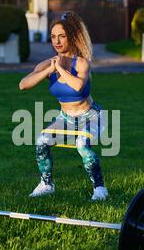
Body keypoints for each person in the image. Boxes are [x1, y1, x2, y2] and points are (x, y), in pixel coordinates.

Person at [19, 11, 109, 201]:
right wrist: (49, 70)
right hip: (65, 118)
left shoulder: (82, 63)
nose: (57, 41)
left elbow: (77, 86)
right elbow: (23, 84)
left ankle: (100, 189)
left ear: (71, 37)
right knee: (41, 141)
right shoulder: (48, 64)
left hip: (91, 116)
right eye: (53, 37)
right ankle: (46, 184)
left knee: (82, 145)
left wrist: (59, 68)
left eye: (61, 36)